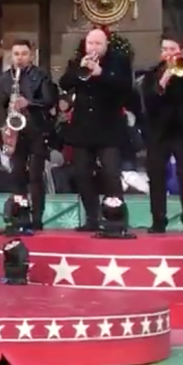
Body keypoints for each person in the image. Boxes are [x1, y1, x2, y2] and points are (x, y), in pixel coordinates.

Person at [59, 29, 133, 231]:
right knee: (82, 174)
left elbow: (126, 87)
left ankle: (116, 218)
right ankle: (93, 218)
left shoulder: (118, 61)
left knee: (111, 173)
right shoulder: (77, 60)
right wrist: (79, 70)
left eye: (98, 44)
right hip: (83, 128)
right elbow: (64, 83)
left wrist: (101, 74)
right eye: (90, 43)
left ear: (106, 45)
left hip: (109, 126)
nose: (93, 47)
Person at [141, 36, 183, 233]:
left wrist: (179, 74)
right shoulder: (151, 75)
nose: (168, 53)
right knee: (157, 176)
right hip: (159, 132)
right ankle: (158, 220)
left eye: (172, 49)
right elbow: (149, 102)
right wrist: (164, 79)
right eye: (165, 49)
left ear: (180, 51)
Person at [0, 39, 57, 229]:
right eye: (16, 54)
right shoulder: (3, 80)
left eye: (24, 54)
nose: (20, 58)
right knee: (17, 175)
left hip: (36, 130)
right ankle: (20, 215)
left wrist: (29, 103)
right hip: (14, 133)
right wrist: (5, 128)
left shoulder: (41, 75)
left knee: (36, 176)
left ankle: (37, 218)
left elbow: (49, 99)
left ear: (31, 55)